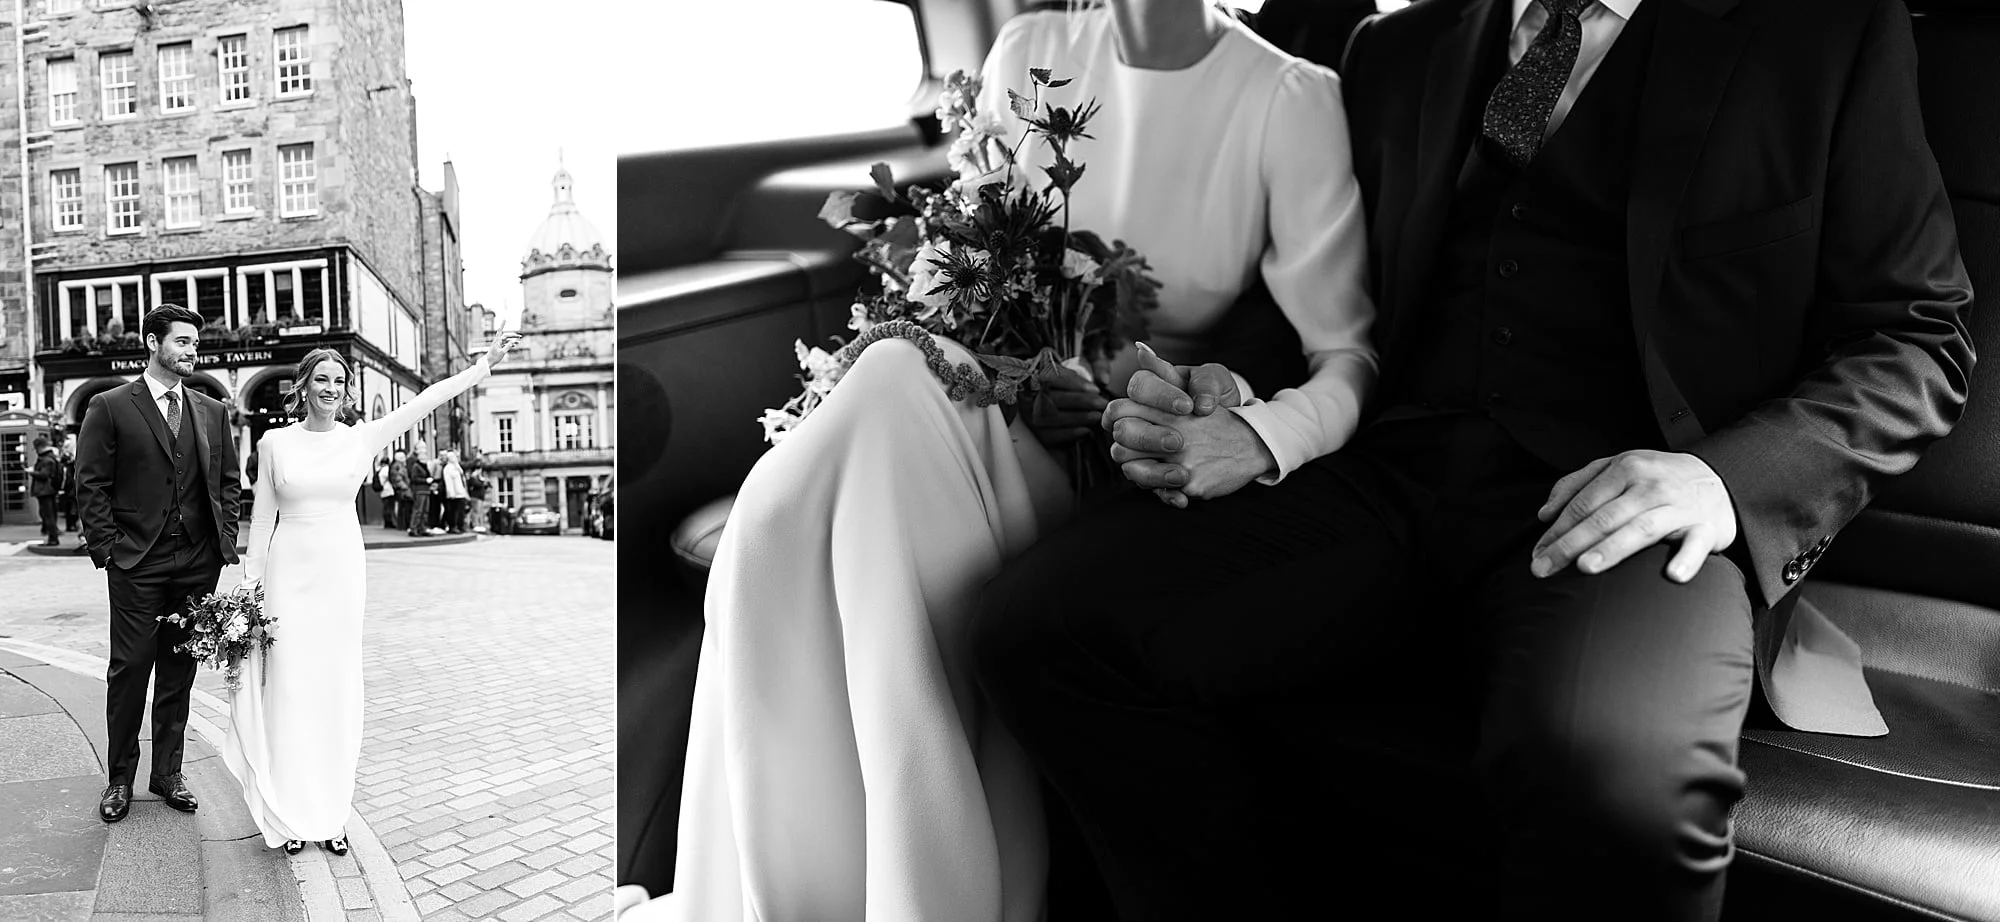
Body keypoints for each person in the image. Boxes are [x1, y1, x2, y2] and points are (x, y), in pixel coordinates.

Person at [972, 1, 1977, 920]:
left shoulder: (1818, 35)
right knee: (1046, 626)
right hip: (1381, 478)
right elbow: (1324, 302)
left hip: (1619, 508)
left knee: (1606, 780)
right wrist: (1232, 395)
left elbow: (1913, 337)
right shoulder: (1396, 51)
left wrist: (1718, 480)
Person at [626, 1, 1376, 919]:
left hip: (1116, 453)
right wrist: (1013, 366)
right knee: (893, 383)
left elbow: (1346, 359)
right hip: (991, 400)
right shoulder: (1029, 48)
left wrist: (1249, 434)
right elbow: (980, 271)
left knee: (886, 409)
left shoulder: (1289, 99)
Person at [223, 332, 522, 855]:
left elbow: (427, 398)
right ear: (303, 386)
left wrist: (482, 367)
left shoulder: (361, 438)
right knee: (289, 689)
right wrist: (248, 595)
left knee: (336, 690)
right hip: (287, 577)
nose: (332, 389)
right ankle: (291, 815)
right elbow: (263, 521)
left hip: (340, 575)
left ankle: (332, 815)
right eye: (322, 380)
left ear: (348, 391)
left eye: (340, 381)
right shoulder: (275, 444)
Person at [74, 304, 243, 824]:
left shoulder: (211, 411)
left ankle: (168, 772)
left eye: (196, 343)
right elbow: (90, 484)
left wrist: (223, 541)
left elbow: (228, 484)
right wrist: (109, 551)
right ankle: (120, 779)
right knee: (128, 671)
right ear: (153, 343)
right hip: (136, 562)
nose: (194, 350)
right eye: (184, 342)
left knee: (179, 671)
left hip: (196, 562)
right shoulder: (110, 405)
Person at [30, 437, 62, 546]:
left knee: (48, 516)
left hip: (45, 491)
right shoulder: (51, 458)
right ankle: (53, 537)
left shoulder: (46, 460)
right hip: (51, 490)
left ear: (39, 447)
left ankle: (53, 539)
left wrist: (32, 472)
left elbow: (44, 475)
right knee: (50, 515)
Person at [404, 443, 433, 537]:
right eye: (423, 456)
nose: (425, 458)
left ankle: (422, 528)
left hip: (426, 490)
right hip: (419, 490)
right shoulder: (416, 466)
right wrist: (426, 480)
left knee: (425, 511)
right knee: (418, 510)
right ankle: (414, 528)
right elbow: (414, 479)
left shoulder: (425, 466)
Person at [440, 451, 468, 534]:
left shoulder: (457, 467)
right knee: (453, 511)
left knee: (461, 511)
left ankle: (460, 525)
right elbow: (448, 482)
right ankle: (453, 526)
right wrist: (450, 493)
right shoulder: (447, 468)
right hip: (454, 493)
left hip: (460, 492)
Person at [387, 448, 412, 531]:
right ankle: (403, 525)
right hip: (402, 489)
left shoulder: (396, 465)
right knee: (404, 507)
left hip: (400, 489)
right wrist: (405, 487)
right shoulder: (399, 466)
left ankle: (402, 525)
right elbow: (398, 478)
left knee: (402, 507)